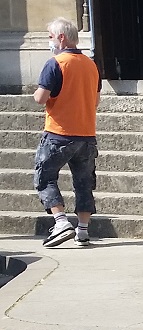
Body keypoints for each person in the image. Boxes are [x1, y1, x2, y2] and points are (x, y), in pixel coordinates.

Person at [32, 18, 100, 247]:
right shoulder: (91, 65)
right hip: (86, 133)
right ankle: (83, 230)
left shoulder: (56, 63)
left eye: (50, 36)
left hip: (59, 132)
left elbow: (41, 98)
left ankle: (60, 221)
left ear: (61, 37)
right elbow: (96, 100)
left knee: (45, 176)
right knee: (84, 182)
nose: (49, 41)